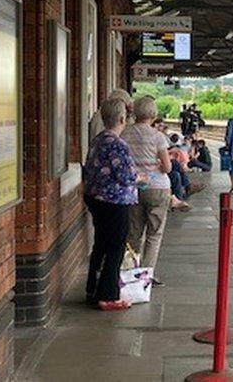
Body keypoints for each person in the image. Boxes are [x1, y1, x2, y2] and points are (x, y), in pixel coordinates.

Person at [83, 98, 139, 311]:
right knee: (115, 248)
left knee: (100, 245)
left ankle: (93, 289)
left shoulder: (97, 140)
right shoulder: (117, 143)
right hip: (114, 202)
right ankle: (108, 295)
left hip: (96, 199)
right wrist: (139, 177)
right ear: (122, 118)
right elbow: (126, 176)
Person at [120, 96, 172, 287]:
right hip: (157, 188)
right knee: (154, 234)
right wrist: (157, 164)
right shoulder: (158, 136)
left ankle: (130, 271)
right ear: (153, 114)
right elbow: (167, 168)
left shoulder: (124, 133)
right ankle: (146, 274)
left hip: (134, 188)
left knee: (134, 233)